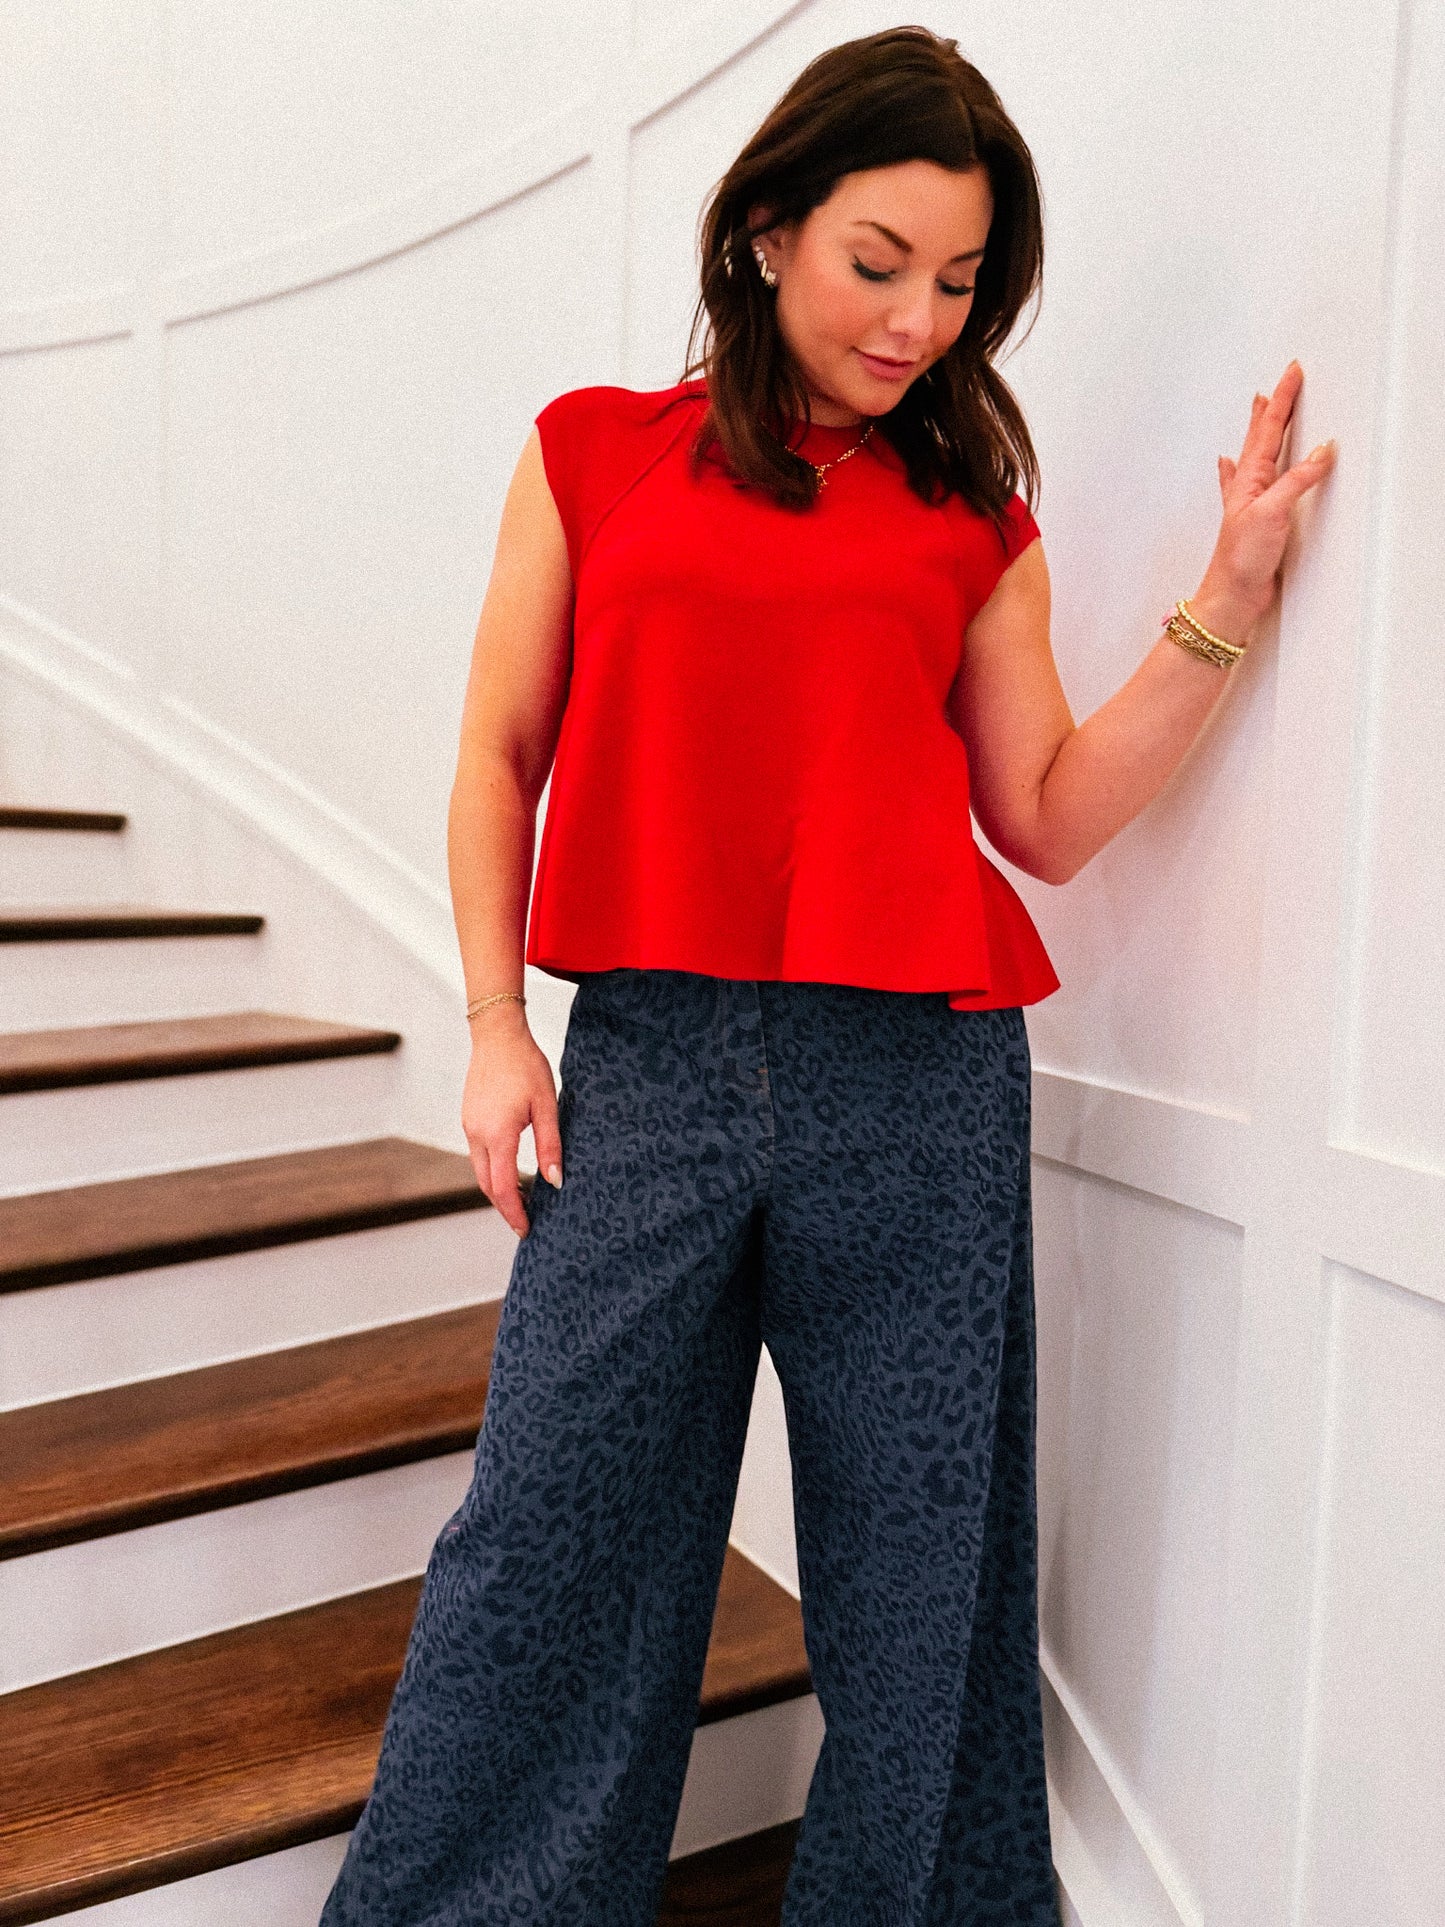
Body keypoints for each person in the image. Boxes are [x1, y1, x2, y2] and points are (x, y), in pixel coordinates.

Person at [319, 25, 1334, 1927]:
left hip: (919, 1084)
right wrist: (488, 1030)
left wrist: (1228, 599)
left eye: (957, 285)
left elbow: (1037, 809)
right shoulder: (592, 453)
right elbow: (495, 753)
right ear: (768, 229)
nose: (915, 321)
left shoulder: (969, 516)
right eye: (878, 264)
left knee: (915, 1577)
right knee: (550, 1540)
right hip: (654, 1059)